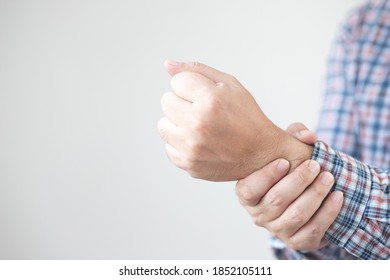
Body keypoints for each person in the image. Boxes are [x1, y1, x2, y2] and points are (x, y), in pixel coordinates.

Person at [158, 0, 389, 260]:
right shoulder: (364, 28)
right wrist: (295, 209)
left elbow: (333, 188)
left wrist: (272, 152)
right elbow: (324, 221)